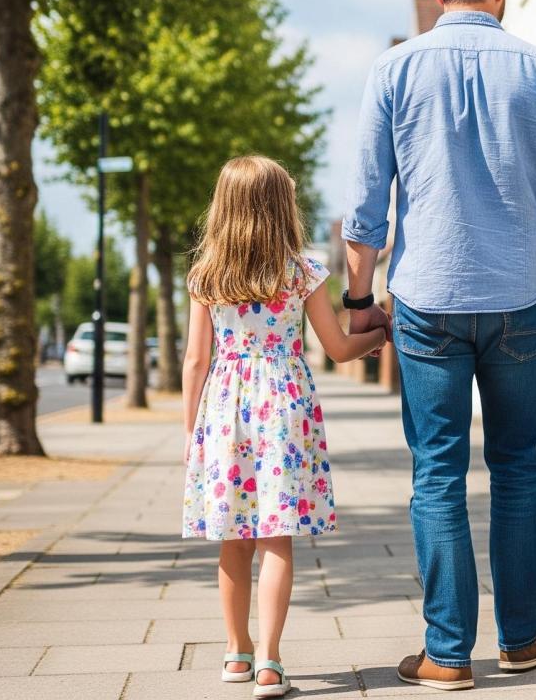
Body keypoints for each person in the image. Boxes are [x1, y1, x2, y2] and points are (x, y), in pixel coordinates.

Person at [343, 0, 536, 691]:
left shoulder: (393, 70)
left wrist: (359, 301)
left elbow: (365, 209)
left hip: (427, 301)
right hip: (522, 298)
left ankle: (447, 654)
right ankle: (521, 637)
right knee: (518, 467)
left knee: (437, 474)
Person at [181, 156, 388, 698]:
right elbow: (337, 347)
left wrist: (190, 433)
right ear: (282, 207)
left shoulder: (207, 275)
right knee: (276, 537)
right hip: (283, 408)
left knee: (233, 536)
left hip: (224, 409)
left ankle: (236, 652)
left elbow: (195, 361)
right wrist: (379, 334)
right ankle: (270, 663)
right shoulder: (301, 272)